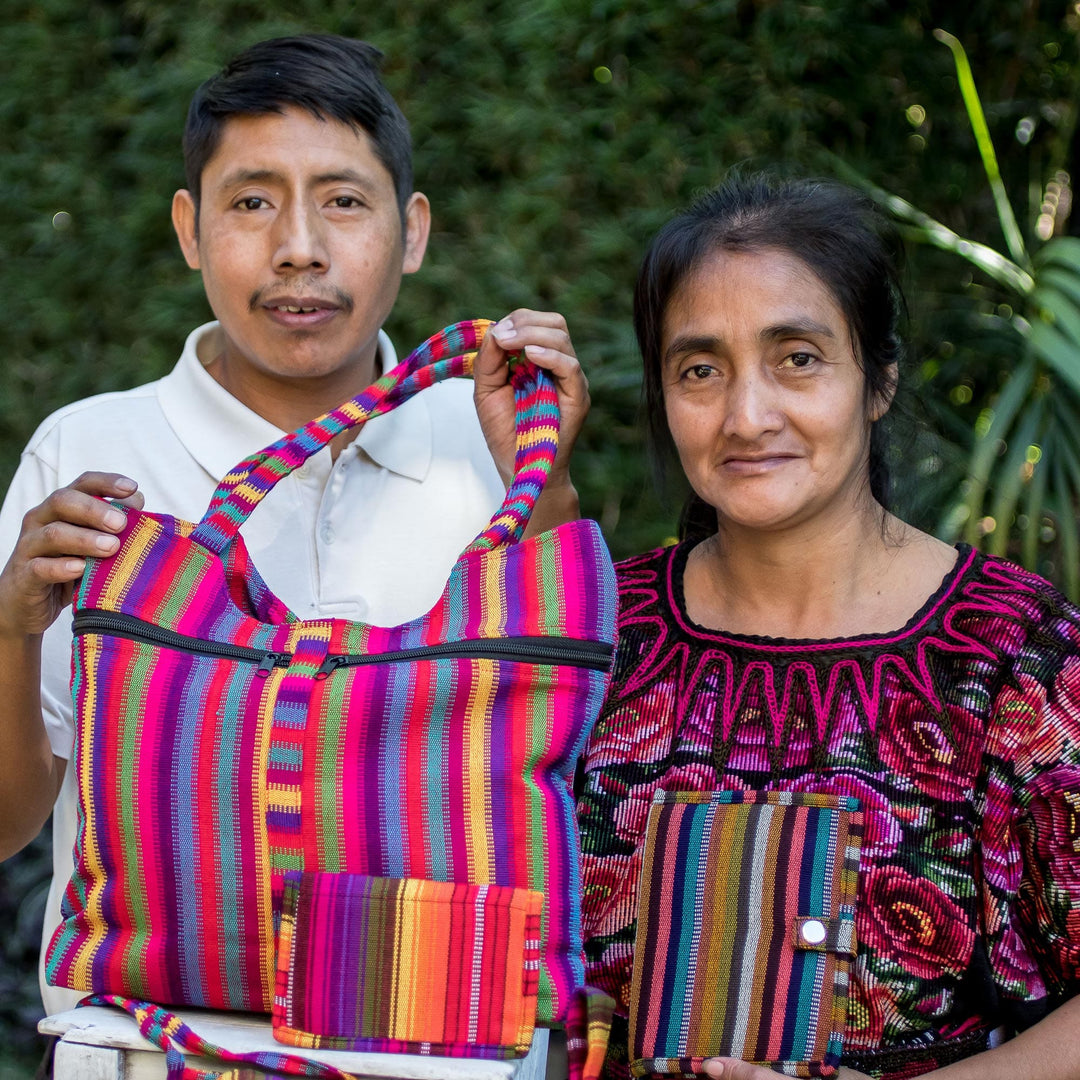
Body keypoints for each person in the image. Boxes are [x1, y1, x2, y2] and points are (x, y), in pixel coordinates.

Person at [0, 33, 588, 1021]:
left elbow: (549, 750)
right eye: (252, 200)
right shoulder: (93, 453)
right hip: (151, 1045)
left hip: (428, 1037)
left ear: (413, 231)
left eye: (345, 201)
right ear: (190, 228)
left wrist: (546, 474)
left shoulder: (486, 441)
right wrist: (12, 626)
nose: (299, 246)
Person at [577, 173, 1080, 1079]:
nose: (746, 416)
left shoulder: (1014, 658)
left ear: (878, 378)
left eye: (797, 358)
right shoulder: (603, 635)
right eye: (700, 369)